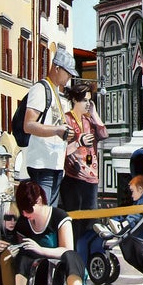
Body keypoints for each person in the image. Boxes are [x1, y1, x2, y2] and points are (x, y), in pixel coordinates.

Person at [11, 177, 87, 285]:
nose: (25, 214)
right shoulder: (24, 223)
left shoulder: (59, 216)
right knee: (21, 259)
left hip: (59, 270)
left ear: (39, 201)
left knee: (74, 259)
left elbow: (67, 250)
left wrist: (41, 250)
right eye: (23, 210)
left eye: (29, 210)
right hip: (36, 273)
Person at [59, 76, 109, 273]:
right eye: (84, 100)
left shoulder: (90, 119)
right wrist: (79, 142)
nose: (88, 103)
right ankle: (75, 262)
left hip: (92, 177)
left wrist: (95, 114)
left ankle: (87, 261)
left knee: (92, 221)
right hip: (73, 178)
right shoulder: (66, 119)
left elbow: (104, 135)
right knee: (76, 222)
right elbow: (62, 150)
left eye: (89, 99)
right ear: (75, 101)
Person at [19, 45, 76, 206]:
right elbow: (28, 125)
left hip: (54, 166)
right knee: (43, 212)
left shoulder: (55, 92)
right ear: (57, 68)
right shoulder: (40, 89)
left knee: (48, 214)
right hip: (42, 165)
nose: (69, 78)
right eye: (68, 73)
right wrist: (58, 130)